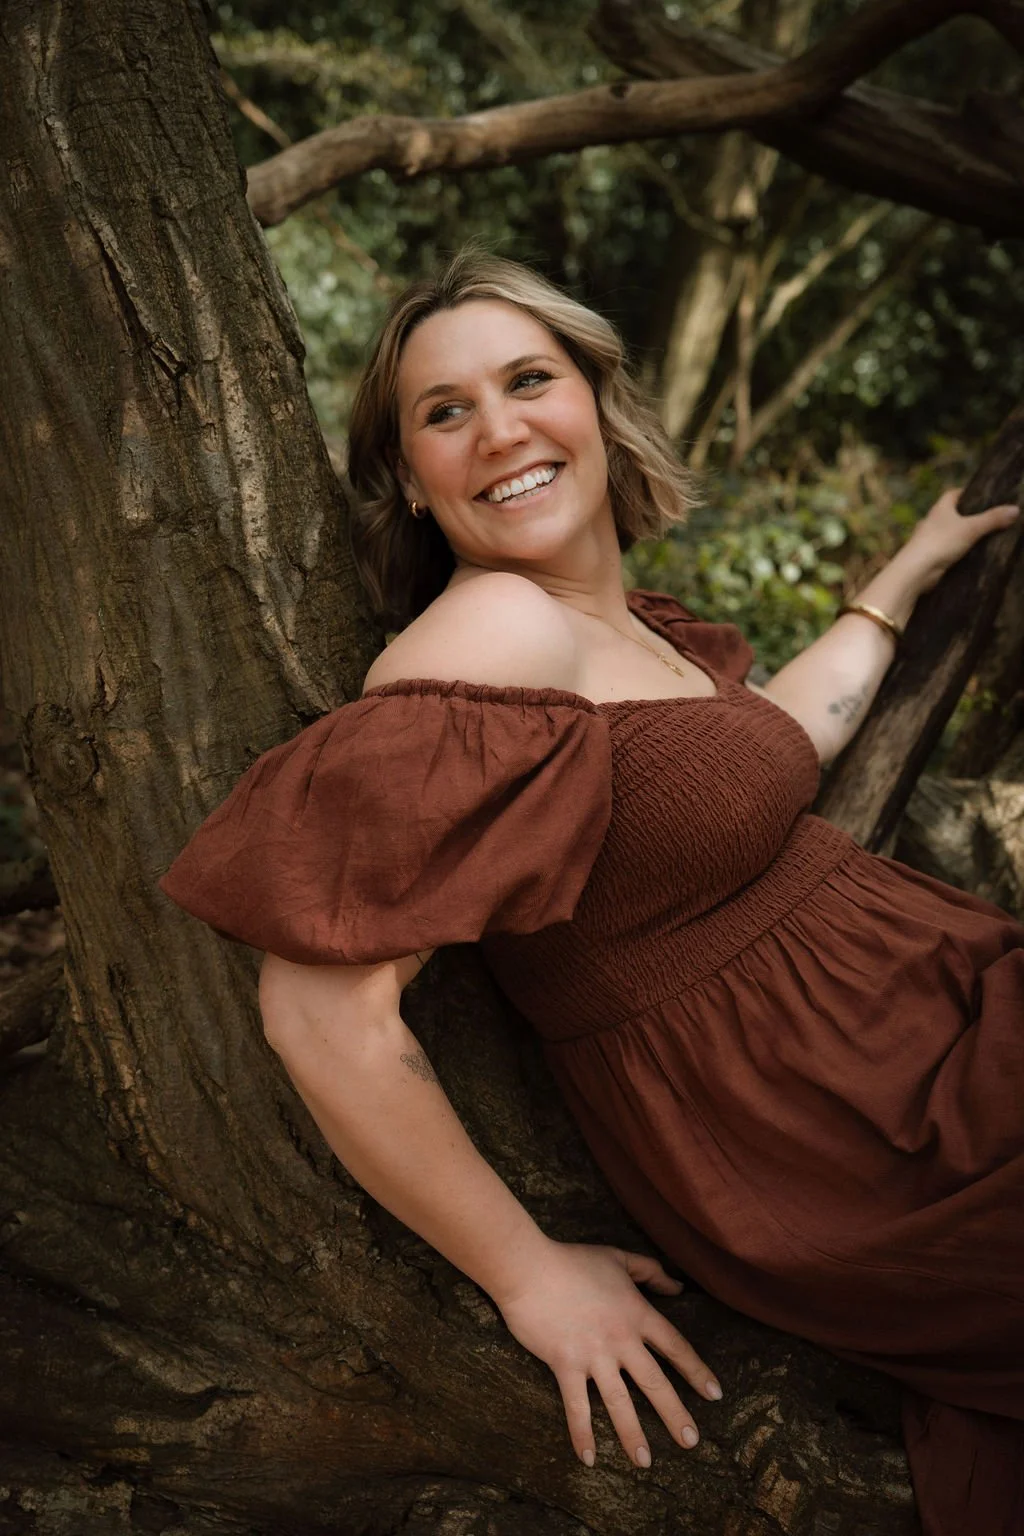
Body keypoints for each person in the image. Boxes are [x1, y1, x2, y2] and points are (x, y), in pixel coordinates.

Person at [160, 250, 1024, 1535]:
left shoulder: (628, 632)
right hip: (849, 1138)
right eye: (444, 412)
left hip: (938, 1032)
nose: (500, 427)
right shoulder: (493, 631)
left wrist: (895, 585)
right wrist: (529, 1279)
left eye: (528, 380)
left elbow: (776, 746)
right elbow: (319, 1011)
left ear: (595, 402)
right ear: (406, 477)